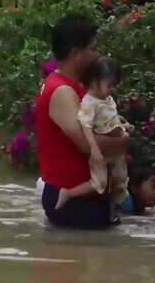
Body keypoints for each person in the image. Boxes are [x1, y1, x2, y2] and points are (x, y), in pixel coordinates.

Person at [35, 14, 130, 229]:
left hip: (83, 199)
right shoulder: (63, 91)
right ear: (76, 54)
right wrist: (124, 140)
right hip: (75, 204)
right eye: (93, 49)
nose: (99, 55)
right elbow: (89, 146)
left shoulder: (77, 87)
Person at [55, 56, 133, 220]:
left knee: (120, 179)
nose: (112, 89)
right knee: (99, 183)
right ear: (95, 82)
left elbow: (111, 117)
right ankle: (68, 193)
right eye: (109, 85)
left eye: (114, 86)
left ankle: (113, 208)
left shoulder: (106, 99)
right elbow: (86, 125)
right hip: (102, 151)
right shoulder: (89, 103)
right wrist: (94, 147)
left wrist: (123, 125)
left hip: (114, 150)